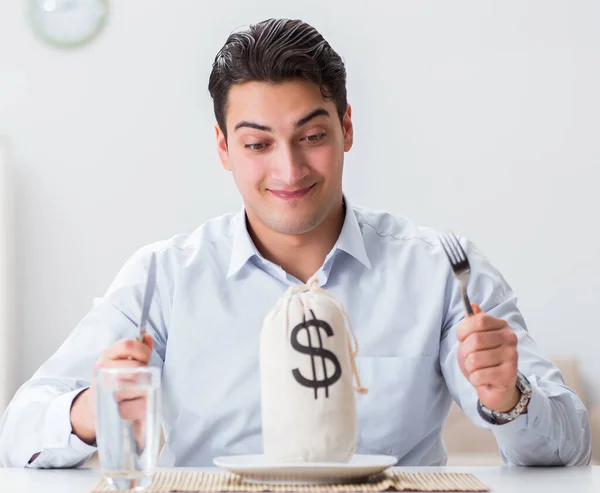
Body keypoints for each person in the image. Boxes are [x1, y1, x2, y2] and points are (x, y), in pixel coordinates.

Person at [0, 18, 591, 468]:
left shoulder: (441, 268)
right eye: (258, 144)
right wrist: (89, 414)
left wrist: (510, 397)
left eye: (311, 135)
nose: (289, 169)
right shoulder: (163, 277)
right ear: (224, 148)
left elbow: (571, 444)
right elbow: (19, 429)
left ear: (347, 128)